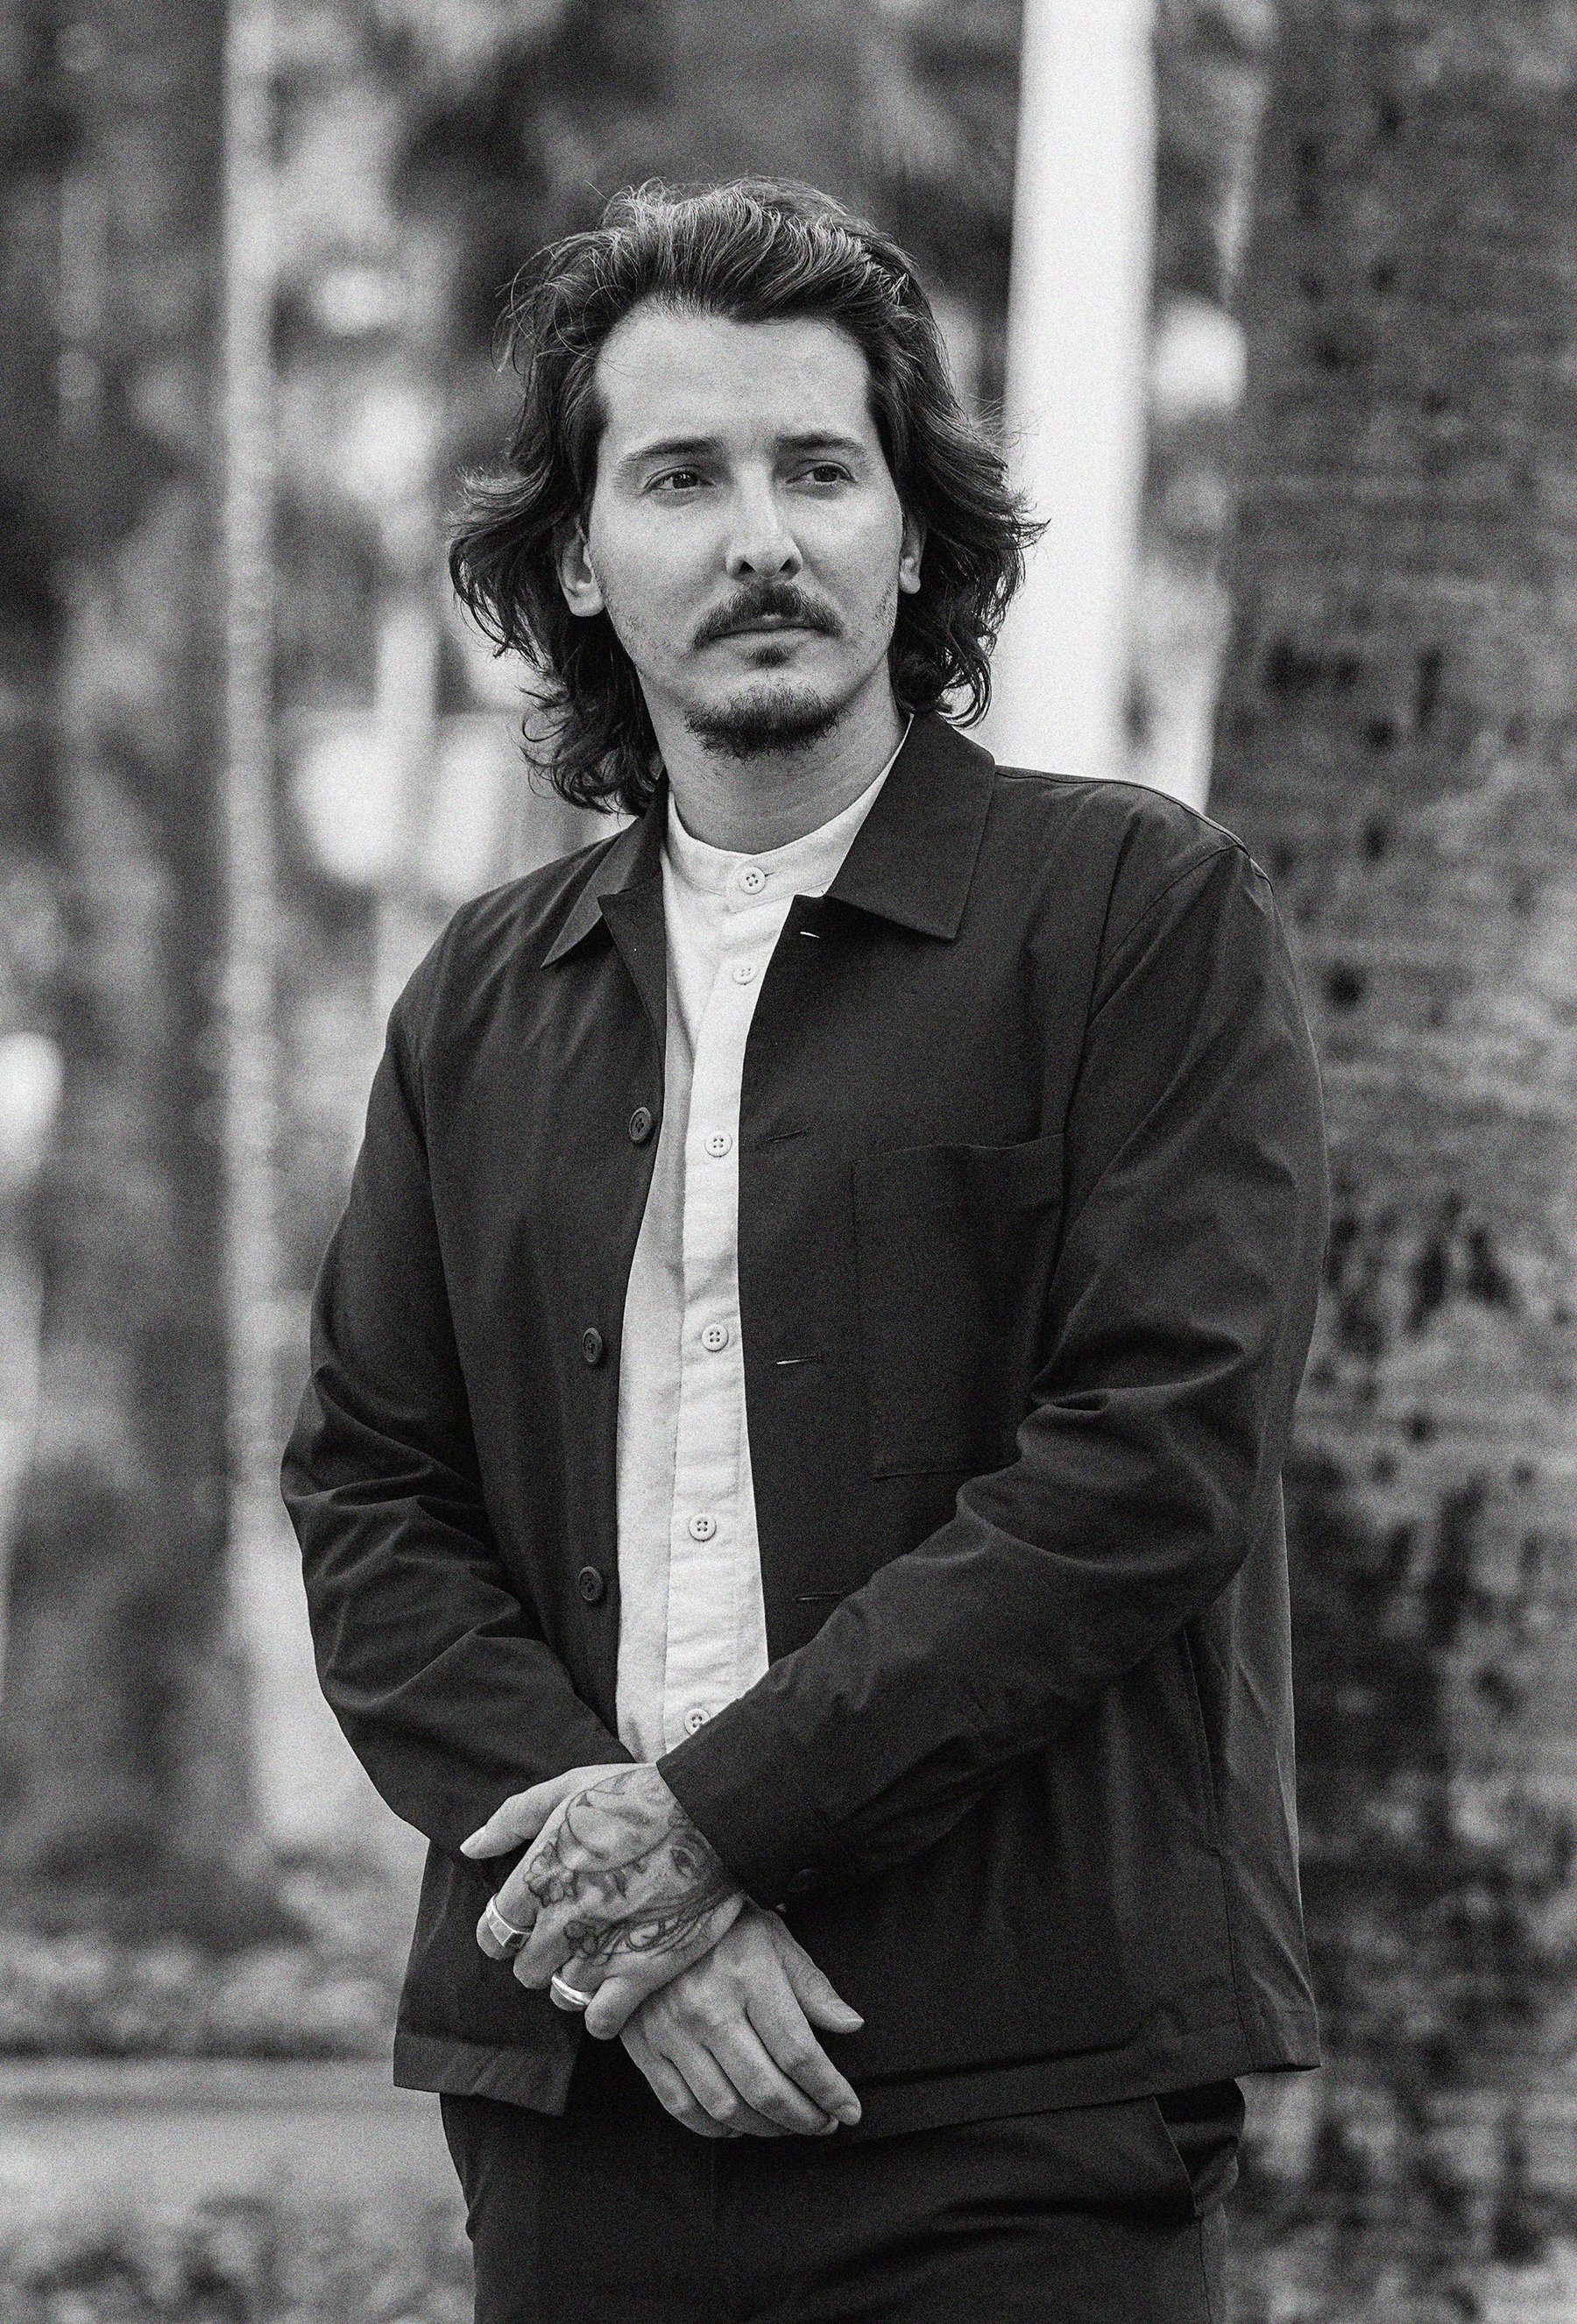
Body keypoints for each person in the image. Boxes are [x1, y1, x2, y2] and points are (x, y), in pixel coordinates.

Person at [281, 178, 1329, 2324]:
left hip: (1014, 2113)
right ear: (579, 555)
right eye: (682, 475)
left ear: (912, 532)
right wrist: (628, 1907)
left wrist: (712, 1829)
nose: (761, 535)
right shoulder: (480, 999)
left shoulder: (1137, 919)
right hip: (586, 2104)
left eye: (819, 469)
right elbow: (373, 1501)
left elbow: (1152, 1460)